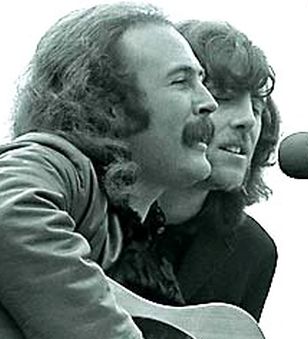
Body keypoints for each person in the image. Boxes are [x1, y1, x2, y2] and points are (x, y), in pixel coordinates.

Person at [0, 4, 248, 339]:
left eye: (204, 83)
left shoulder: (140, 238)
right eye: (182, 82)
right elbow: (4, 211)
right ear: (109, 106)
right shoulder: (60, 166)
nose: (208, 104)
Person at [108, 20, 279, 321]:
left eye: (256, 106)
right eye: (223, 98)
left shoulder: (252, 252)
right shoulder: (84, 208)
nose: (248, 121)